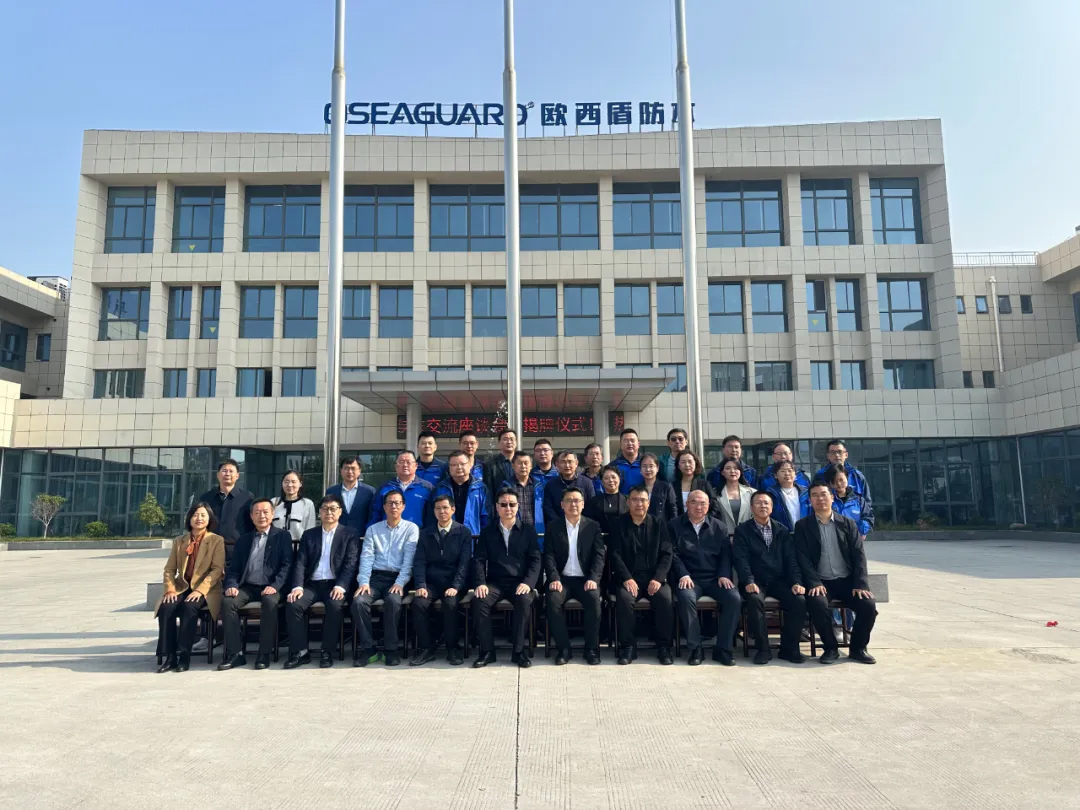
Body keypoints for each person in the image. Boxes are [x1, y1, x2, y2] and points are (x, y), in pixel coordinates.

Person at [733, 491, 829, 665]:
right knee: (754, 600)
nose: (763, 506)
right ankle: (763, 649)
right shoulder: (743, 530)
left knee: (799, 599)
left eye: (766, 503)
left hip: (779, 581)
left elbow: (792, 560)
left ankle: (789, 648)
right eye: (759, 503)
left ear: (772, 507)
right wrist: (748, 580)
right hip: (756, 581)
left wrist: (797, 582)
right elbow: (741, 559)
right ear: (752, 507)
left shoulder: (782, 530)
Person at [795, 482, 878, 665]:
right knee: (817, 604)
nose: (820, 498)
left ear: (832, 498)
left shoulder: (847, 524)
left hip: (847, 581)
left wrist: (860, 584)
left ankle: (858, 648)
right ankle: (830, 648)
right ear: (810, 501)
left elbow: (859, 555)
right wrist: (814, 582)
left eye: (824, 494)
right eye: (815, 495)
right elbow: (803, 558)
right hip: (821, 582)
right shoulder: (803, 526)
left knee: (868, 606)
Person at [284, 495, 360, 669]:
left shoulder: (349, 534)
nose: (329, 512)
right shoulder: (309, 535)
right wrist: (297, 586)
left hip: (335, 584)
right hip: (312, 584)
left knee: (334, 606)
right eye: (325, 509)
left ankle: (327, 651)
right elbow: (301, 562)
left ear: (340, 512)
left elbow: (351, 563)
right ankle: (301, 652)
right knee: (293, 604)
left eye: (333, 509)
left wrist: (341, 586)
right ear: (319, 512)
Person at [218, 498, 293, 671]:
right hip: (249, 586)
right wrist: (231, 585)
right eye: (257, 513)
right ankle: (236, 653)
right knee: (228, 602)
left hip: (272, 586)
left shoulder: (282, 536)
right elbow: (234, 568)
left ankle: (264, 653)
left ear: (273, 514)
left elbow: (287, 565)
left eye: (265, 512)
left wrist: (275, 586)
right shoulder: (244, 540)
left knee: (269, 601)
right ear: (251, 516)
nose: (262, 516)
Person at [472, 488, 542, 669]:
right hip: (495, 583)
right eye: (503, 505)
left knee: (524, 600)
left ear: (518, 506)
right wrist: (480, 583)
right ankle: (487, 651)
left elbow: (536, 560)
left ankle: (518, 652)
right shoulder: (488, 532)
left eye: (512, 504)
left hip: (519, 582)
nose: (508, 508)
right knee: (480, 600)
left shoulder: (528, 530)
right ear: (497, 507)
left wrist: (528, 583)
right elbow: (479, 560)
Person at [670, 490, 741, 666]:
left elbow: (726, 554)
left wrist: (724, 574)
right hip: (689, 579)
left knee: (734, 598)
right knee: (686, 597)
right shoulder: (674, 525)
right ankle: (695, 648)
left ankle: (723, 649)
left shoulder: (719, 527)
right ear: (687, 504)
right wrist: (683, 573)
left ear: (708, 506)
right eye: (694, 502)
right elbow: (672, 554)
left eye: (703, 503)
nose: (699, 507)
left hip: (714, 578)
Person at [609, 485, 675, 666]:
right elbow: (614, 554)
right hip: (629, 578)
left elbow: (667, 554)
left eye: (643, 500)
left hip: (654, 578)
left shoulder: (659, 524)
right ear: (628, 502)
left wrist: (658, 578)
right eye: (635, 500)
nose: (639, 504)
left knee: (665, 598)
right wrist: (626, 578)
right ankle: (628, 647)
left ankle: (664, 647)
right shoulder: (618, 524)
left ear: (649, 503)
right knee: (624, 599)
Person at [155, 502, 225, 673]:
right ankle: (170, 656)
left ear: (209, 519)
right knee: (166, 607)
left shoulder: (216, 540)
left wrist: (200, 590)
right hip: (182, 586)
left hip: (206, 589)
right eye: (195, 515)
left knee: (190, 606)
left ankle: (184, 655)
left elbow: (217, 570)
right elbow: (169, 569)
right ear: (189, 518)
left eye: (203, 515)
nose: (199, 518)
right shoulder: (180, 541)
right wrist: (170, 589)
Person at [352, 490, 419, 667]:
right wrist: (364, 582)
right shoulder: (373, 530)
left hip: (398, 578)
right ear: (384, 506)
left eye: (397, 503)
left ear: (403, 506)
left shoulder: (411, 529)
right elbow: (367, 557)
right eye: (390, 503)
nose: (393, 506)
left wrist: (400, 582)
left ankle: (391, 649)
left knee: (393, 601)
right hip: (375, 578)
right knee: (359, 602)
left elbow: (409, 561)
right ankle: (369, 649)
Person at [543, 487, 605, 665]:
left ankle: (591, 649)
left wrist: (593, 579)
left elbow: (599, 556)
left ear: (583, 504)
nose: (573, 504)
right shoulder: (553, 527)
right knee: (553, 600)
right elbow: (548, 555)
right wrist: (554, 578)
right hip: (562, 580)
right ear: (562, 505)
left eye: (577, 500)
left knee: (594, 599)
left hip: (585, 580)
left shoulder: (592, 526)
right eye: (569, 500)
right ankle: (564, 649)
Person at [410, 494, 472, 666]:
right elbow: (419, 561)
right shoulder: (426, 533)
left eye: (445, 508)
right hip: (431, 583)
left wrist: (456, 586)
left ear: (453, 509)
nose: (442, 511)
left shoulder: (463, 532)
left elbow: (464, 563)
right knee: (419, 603)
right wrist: (420, 585)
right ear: (434, 511)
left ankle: (453, 648)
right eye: (438, 508)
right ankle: (426, 648)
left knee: (450, 603)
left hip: (454, 583)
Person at [198, 458, 254, 561]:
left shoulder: (247, 497)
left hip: (238, 550)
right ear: (218, 475)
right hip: (210, 550)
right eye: (224, 471)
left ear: (237, 476)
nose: (227, 474)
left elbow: (251, 524)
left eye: (231, 471)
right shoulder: (206, 498)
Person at [369, 450, 435, 528]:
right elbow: (374, 513)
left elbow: (432, 515)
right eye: (401, 462)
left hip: (418, 533)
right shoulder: (385, 487)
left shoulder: (427, 487)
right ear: (396, 466)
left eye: (408, 462)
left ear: (416, 465)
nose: (405, 465)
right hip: (388, 532)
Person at [432, 450, 490, 536]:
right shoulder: (440, 488)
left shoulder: (480, 488)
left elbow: (486, 517)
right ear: (449, 467)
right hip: (446, 538)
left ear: (470, 465)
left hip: (473, 537)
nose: (459, 467)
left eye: (462, 464)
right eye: (454, 465)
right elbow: (433, 516)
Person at [823, 463, 875, 541]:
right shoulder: (826, 501)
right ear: (829, 483)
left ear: (847, 478)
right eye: (834, 481)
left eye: (841, 480)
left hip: (854, 541)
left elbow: (869, 518)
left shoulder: (859, 500)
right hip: (832, 541)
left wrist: (861, 530)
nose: (838, 484)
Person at [541, 450, 594, 525]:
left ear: (576, 463)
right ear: (557, 464)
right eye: (563, 462)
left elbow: (591, 506)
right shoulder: (551, 484)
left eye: (570, 462)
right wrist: (560, 523)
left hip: (582, 526)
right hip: (557, 526)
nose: (567, 465)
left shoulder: (587, 482)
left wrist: (580, 522)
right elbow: (548, 508)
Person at [326, 456, 376, 534]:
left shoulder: (369, 491)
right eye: (346, 468)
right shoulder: (331, 491)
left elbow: (373, 516)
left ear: (359, 471)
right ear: (341, 470)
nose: (350, 472)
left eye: (353, 468)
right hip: (337, 535)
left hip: (361, 535)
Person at [501, 451, 545, 536]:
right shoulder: (506, 486)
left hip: (536, 531)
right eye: (519, 463)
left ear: (531, 466)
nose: (523, 466)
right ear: (513, 465)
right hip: (513, 532)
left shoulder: (539, 487)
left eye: (526, 463)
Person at [714, 458, 755, 541]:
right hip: (724, 538)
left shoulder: (752, 493)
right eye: (728, 468)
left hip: (748, 538)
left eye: (736, 468)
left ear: (740, 471)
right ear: (722, 472)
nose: (732, 471)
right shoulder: (715, 494)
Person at [671, 449, 720, 518]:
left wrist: (703, 520)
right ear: (678, 466)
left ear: (696, 464)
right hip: (678, 523)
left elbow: (714, 507)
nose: (687, 465)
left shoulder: (704, 485)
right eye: (683, 462)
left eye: (690, 462)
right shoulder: (672, 486)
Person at [271, 469, 316, 543]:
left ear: (300, 484)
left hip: (298, 547)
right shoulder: (274, 502)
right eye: (286, 482)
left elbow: (310, 529)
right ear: (282, 483)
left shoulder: (307, 504)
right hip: (275, 545)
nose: (290, 485)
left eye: (293, 482)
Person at [767, 460, 810, 532]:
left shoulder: (806, 493)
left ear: (795, 475)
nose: (787, 474)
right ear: (775, 475)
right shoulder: (770, 494)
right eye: (782, 471)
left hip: (805, 533)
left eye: (790, 471)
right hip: (782, 534)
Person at [584, 465, 628, 537]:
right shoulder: (594, 502)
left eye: (613, 477)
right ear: (601, 482)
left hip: (624, 539)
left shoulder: (628, 500)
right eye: (606, 478)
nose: (611, 480)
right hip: (601, 540)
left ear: (619, 479)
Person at [640, 452, 678, 522]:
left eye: (651, 466)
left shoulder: (666, 487)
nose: (648, 469)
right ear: (640, 469)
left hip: (662, 526)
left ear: (657, 468)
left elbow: (673, 510)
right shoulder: (637, 488)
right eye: (644, 466)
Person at [483, 428, 518, 500]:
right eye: (505, 439)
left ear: (516, 442)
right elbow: (488, 492)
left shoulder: (522, 463)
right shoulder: (490, 465)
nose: (509, 442)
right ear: (499, 443)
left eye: (512, 439)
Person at [614, 428, 644, 493]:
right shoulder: (613, 466)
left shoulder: (646, 463)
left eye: (632, 440)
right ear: (621, 445)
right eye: (626, 441)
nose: (629, 443)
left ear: (638, 444)